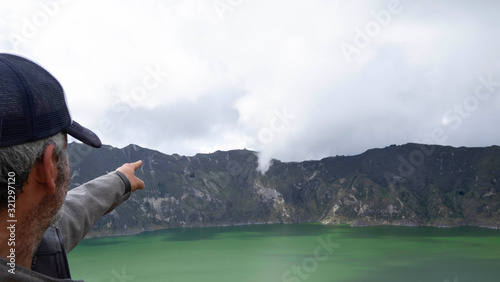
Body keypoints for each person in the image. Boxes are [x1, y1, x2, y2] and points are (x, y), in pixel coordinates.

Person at [0, 53, 145, 281]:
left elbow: (59, 219)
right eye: (65, 151)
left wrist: (120, 180)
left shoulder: (18, 235)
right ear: (48, 167)